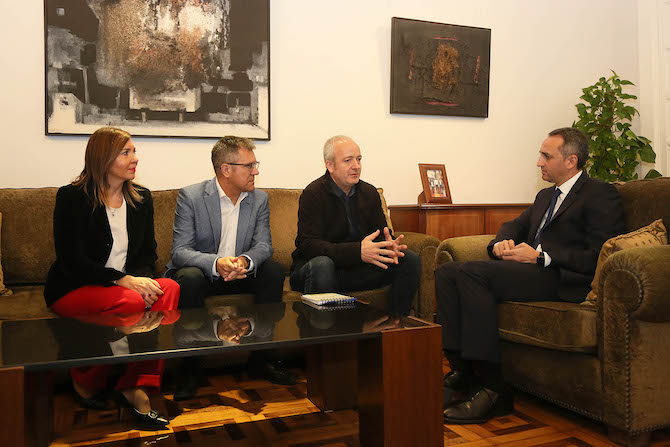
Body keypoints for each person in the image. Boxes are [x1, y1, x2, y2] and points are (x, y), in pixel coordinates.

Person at [437, 127, 625, 424]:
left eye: (546, 156)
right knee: (447, 272)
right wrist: (501, 243)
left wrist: (541, 256)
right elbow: (514, 225)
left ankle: (493, 389)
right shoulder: (545, 196)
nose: (539, 162)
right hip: (532, 272)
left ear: (571, 161)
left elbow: (600, 254)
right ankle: (462, 371)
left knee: (473, 273)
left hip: (564, 278)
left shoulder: (600, 194)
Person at [44, 126, 181, 430]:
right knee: (132, 300)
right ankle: (88, 379)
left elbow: (146, 254)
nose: (135, 158)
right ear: (104, 158)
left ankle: (135, 383)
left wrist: (142, 281)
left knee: (169, 288)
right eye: (126, 152)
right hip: (74, 288)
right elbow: (71, 260)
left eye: (134, 151)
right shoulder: (72, 198)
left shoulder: (142, 198)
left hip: (124, 289)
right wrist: (123, 281)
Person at [166, 135, 294, 400]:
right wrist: (216, 263)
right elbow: (180, 251)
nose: (255, 171)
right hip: (205, 274)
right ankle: (190, 367)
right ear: (226, 169)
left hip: (241, 272)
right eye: (249, 166)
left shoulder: (259, 199)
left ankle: (262, 359)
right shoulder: (191, 197)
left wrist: (244, 261)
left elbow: (264, 246)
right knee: (188, 278)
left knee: (273, 271)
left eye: (255, 165)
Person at [290, 135, 421, 316]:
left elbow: (380, 234)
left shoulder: (369, 192)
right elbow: (309, 245)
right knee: (323, 265)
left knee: (409, 260)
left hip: (357, 269)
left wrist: (389, 245)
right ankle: (326, 333)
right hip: (321, 269)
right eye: (348, 160)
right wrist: (357, 251)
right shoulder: (313, 194)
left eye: (359, 159)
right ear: (330, 165)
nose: (356, 166)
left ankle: (395, 324)